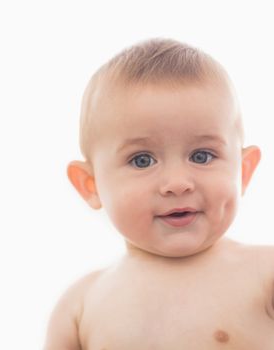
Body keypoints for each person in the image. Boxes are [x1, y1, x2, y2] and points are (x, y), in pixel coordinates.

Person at [43, 38, 274, 349]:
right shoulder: (79, 306)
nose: (177, 183)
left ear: (243, 171)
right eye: (142, 160)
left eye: (202, 156)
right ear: (91, 185)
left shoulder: (265, 275)